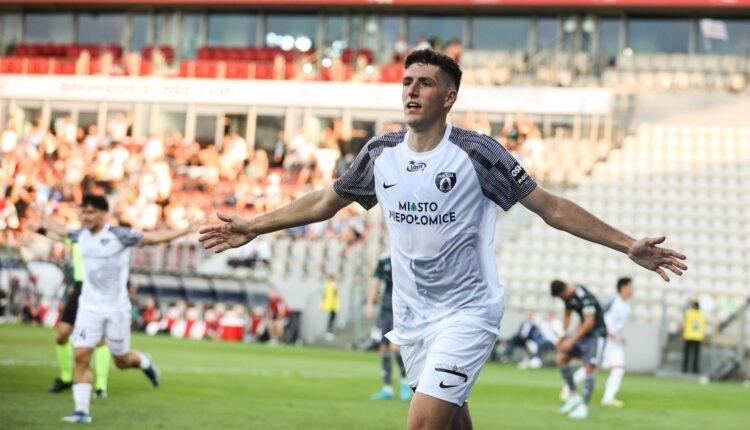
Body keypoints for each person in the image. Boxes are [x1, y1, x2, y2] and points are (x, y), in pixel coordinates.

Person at [198, 49, 687, 430]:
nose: (412, 91)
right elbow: (327, 201)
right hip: (412, 318)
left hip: (468, 313)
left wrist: (627, 244)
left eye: (425, 83)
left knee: (423, 423)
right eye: (407, 82)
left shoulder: (478, 154)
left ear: (448, 97)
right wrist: (254, 226)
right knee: (452, 422)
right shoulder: (381, 153)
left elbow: (551, 207)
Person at [37, 194, 200, 424]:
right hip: (88, 308)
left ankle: (144, 361)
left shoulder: (119, 235)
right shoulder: (80, 235)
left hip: (116, 310)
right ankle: (81, 411)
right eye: (83, 211)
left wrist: (184, 231)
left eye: (91, 212)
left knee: (121, 361)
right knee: (81, 355)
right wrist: (43, 216)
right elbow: (61, 231)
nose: (86, 216)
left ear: (104, 214)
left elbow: (152, 239)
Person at [41, 233, 112, 399]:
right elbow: (56, 233)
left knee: (99, 340)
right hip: (79, 288)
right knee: (62, 335)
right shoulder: (76, 237)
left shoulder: (103, 238)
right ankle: (66, 378)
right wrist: (40, 226)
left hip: (96, 289)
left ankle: (101, 386)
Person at [551, 280, 608, 420]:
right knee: (561, 359)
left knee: (589, 368)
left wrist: (571, 340)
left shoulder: (585, 297)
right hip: (583, 335)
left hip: (596, 335)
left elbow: (589, 322)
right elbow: (567, 315)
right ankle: (573, 397)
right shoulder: (568, 297)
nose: (562, 300)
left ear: (564, 291)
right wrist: (562, 336)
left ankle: (583, 407)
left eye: (560, 297)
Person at [365, 253, 411, 401]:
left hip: (402, 310)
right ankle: (387, 388)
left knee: (395, 347)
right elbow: (375, 282)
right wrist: (370, 303)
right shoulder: (384, 259)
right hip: (385, 309)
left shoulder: (408, 256)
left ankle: (405, 381)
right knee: (383, 347)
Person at [682, 300, 707, 374]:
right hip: (697, 337)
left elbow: (684, 324)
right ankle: (695, 369)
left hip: (688, 335)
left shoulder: (688, 313)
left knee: (687, 354)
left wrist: (682, 333)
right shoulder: (702, 315)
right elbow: (703, 326)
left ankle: (685, 368)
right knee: (696, 355)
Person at [321, 275, 339, 341]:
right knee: (331, 320)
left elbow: (324, 296)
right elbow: (336, 295)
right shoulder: (333, 286)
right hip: (332, 305)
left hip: (329, 305)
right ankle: (329, 333)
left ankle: (328, 332)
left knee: (330, 319)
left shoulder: (326, 285)